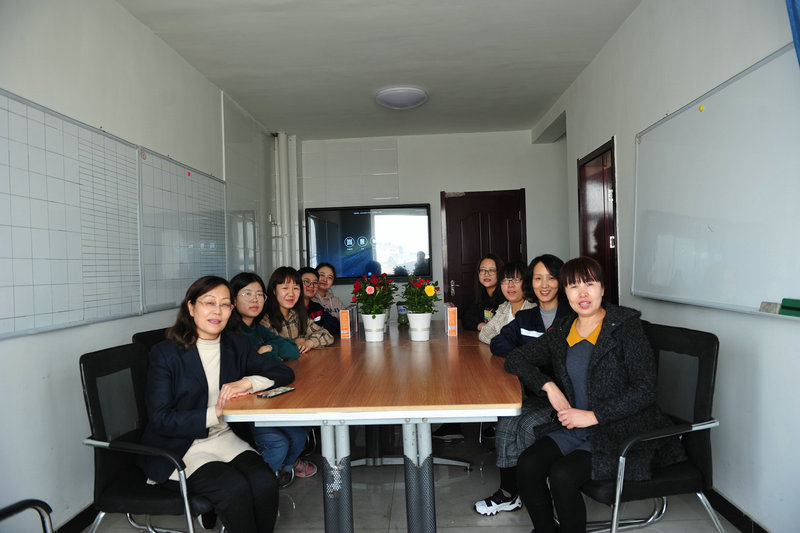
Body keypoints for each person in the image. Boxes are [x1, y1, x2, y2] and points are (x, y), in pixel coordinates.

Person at [505, 257, 686, 533]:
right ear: (565, 292)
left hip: (621, 430)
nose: (583, 293)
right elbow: (515, 359)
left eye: (589, 284)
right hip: (577, 428)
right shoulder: (564, 329)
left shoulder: (625, 327)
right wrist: (548, 386)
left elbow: (645, 389)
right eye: (573, 286)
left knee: (562, 475)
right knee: (528, 464)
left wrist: (594, 416)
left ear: (602, 288)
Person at [138, 275, 295, 533]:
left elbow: (283, 373)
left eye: (225, 304)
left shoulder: (235, 344)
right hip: (181, 445)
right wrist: (216, 412)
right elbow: (160, 418)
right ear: (191, 307)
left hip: (224, 437)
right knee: (233, 489)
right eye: (209, 303)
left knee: (265, 482)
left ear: (231, 310)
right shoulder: (165, 354)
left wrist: (247, 382)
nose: (217, 311)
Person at [475, 254, 572, 516]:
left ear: (561, 281)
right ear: (531, 282)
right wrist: (526, 360)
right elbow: (498, 342)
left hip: (567, 397)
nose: (544, 285)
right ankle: (509, 493)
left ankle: (536, 492)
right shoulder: (527, 317)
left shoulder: (572, 316)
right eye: (538, 278)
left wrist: (529, 363)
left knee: (529, 426)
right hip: (537, 393)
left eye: (551, 278)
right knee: (508, 420)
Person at [230, 272, 316, 487]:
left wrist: (268, 350)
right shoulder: (232, 333)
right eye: (247, 293)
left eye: (259, 294)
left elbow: (291, 350)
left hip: (265, 395)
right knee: (278, 444)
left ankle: (280, 472)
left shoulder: (257, 328)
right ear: (233, 300)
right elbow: (253, 366)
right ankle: (258, 487)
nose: (255, 299)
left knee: (298, 437)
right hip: (244, 406)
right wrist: (266, 356)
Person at [262, 266, 334, 353]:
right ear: (274, 290)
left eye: (295, 288)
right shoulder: (265, 320)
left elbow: (327, 335)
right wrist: (294, 343)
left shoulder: (296, 315)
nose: (291, 294)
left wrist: (309, 342)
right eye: (285, 288)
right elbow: (266, 351)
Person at [478, 261, 536, 344]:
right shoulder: (503, 308)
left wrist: (501, 342)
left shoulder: (533, 310)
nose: (510, 285)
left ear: (526, 282)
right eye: (505, 280)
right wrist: (504, 342)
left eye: (516, 280)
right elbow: (484, 333)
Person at [461, 254, 506, 332]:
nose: (486, 274)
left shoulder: (506, 297)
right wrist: (482, 326)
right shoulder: (480, 295)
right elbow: (466, 318)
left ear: (500, 273)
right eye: (482, 270)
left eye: (492, 270)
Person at [298, 266, 340, 335]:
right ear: (297, 283)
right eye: (306, 281)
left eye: (315, 282)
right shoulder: (291, 307)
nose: (311, 286)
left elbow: (335, 325)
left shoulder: (316, 306)